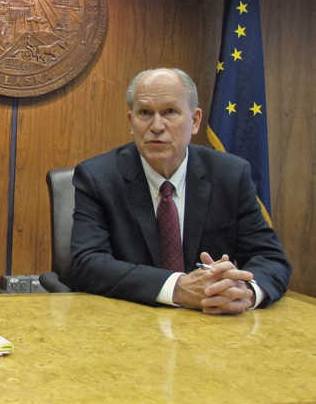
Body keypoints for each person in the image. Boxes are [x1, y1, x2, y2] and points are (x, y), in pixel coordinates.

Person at [69, 67, 290, 314]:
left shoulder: (230, 175)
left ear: (195, 121)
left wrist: (245, 292)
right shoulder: (98, 177)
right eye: (145, 113)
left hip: (212, 329)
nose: (156, 126)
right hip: (129, 322)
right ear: (131, 122)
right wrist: (176, 287)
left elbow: (271, 259)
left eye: (169, 112)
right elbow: (86, 263)